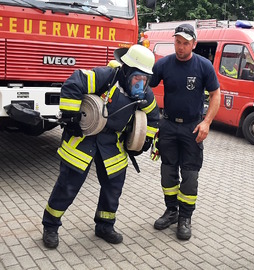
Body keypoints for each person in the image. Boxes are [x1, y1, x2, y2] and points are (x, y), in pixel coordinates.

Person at [42, 44, 160, 248]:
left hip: (112, 142)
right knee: (68, 185)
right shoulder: (105, 76)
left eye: (145, 79)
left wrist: (145, 140)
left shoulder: (145, 94)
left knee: (113, 186)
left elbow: (154, 118)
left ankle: (105, 225)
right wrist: (71, 116)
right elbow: (73, 83)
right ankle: (50, 226)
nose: (140, 84)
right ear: (126, 70)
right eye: (137, 78)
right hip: (84, 137)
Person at [149, 23, 221, 240]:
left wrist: (207, 122)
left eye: (185, 43)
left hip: (193, 127)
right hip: (168, 125)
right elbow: (146, 86)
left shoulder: (203, 66)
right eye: (178, 42)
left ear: (194, 44)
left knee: (189, 175)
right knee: (167, 171)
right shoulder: (163, 65)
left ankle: (185, 218)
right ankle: (171, 211)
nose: (180, 47)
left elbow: (216, 94)